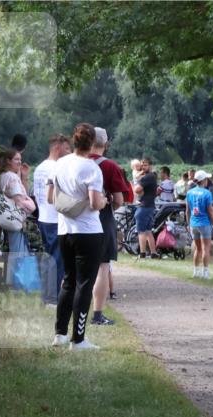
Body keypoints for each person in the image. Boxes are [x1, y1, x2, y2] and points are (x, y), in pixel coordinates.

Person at [48, 123, 107, 351]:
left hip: (65, 230)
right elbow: (94, 203)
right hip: (88, 232)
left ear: (74, 141)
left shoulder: (60, 164)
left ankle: (60, 334)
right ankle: (79, 339)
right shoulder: (92, 168)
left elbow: (51, 196)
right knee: (84, 284)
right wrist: (103, 201)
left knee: (68, 281)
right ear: (92, 144)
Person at [87, 128, 130, 326]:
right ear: (106, 144)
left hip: (74, 220)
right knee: (102, 267)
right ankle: (97, 313)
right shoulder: (110, 166)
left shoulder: (75, 162)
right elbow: (120, 200)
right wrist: (109, 204)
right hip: (102, 219)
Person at [33, 134, 71, 304]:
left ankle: (45, 295)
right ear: (58, 147)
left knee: (48, 257)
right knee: (57, 259)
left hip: (43, 217)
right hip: (55, 218)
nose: (69, 151)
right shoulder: (56, 167)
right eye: (67, 148)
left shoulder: (39, 167)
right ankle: (52, 297)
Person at [0, 148, 37, 287]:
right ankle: (16, 282)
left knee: (15, 249)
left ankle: (12, 281)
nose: (19, 162)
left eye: (20, 159)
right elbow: (19, 200)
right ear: (8, 161)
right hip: (16, 217)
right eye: (16, 159)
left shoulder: (3, 176)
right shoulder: (11, 177)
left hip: (8, 217)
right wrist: (31, 206)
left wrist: (23, 176)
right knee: (18, 251)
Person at [185, 170, 213, 278]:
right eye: (206, 179)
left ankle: (195, 271)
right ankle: (205, 273)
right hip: (205, 223)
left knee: (197, 249)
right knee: (206, 248)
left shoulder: (189, 192)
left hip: (193, 223)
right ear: (203, 180)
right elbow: (210, 210)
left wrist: (188, 224)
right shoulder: (207, 193)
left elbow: (187, 210)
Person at [132, 158, 159, 260]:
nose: (143, 167)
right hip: (150, 206)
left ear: (150, 166)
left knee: (141, 231)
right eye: (142, 165)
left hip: (144, 206)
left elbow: (137, 189)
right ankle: (153, 253)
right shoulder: (152, 177)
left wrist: (138, 190)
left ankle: (142, 253)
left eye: (146, 165)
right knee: (148, 231)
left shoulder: (147, 177)